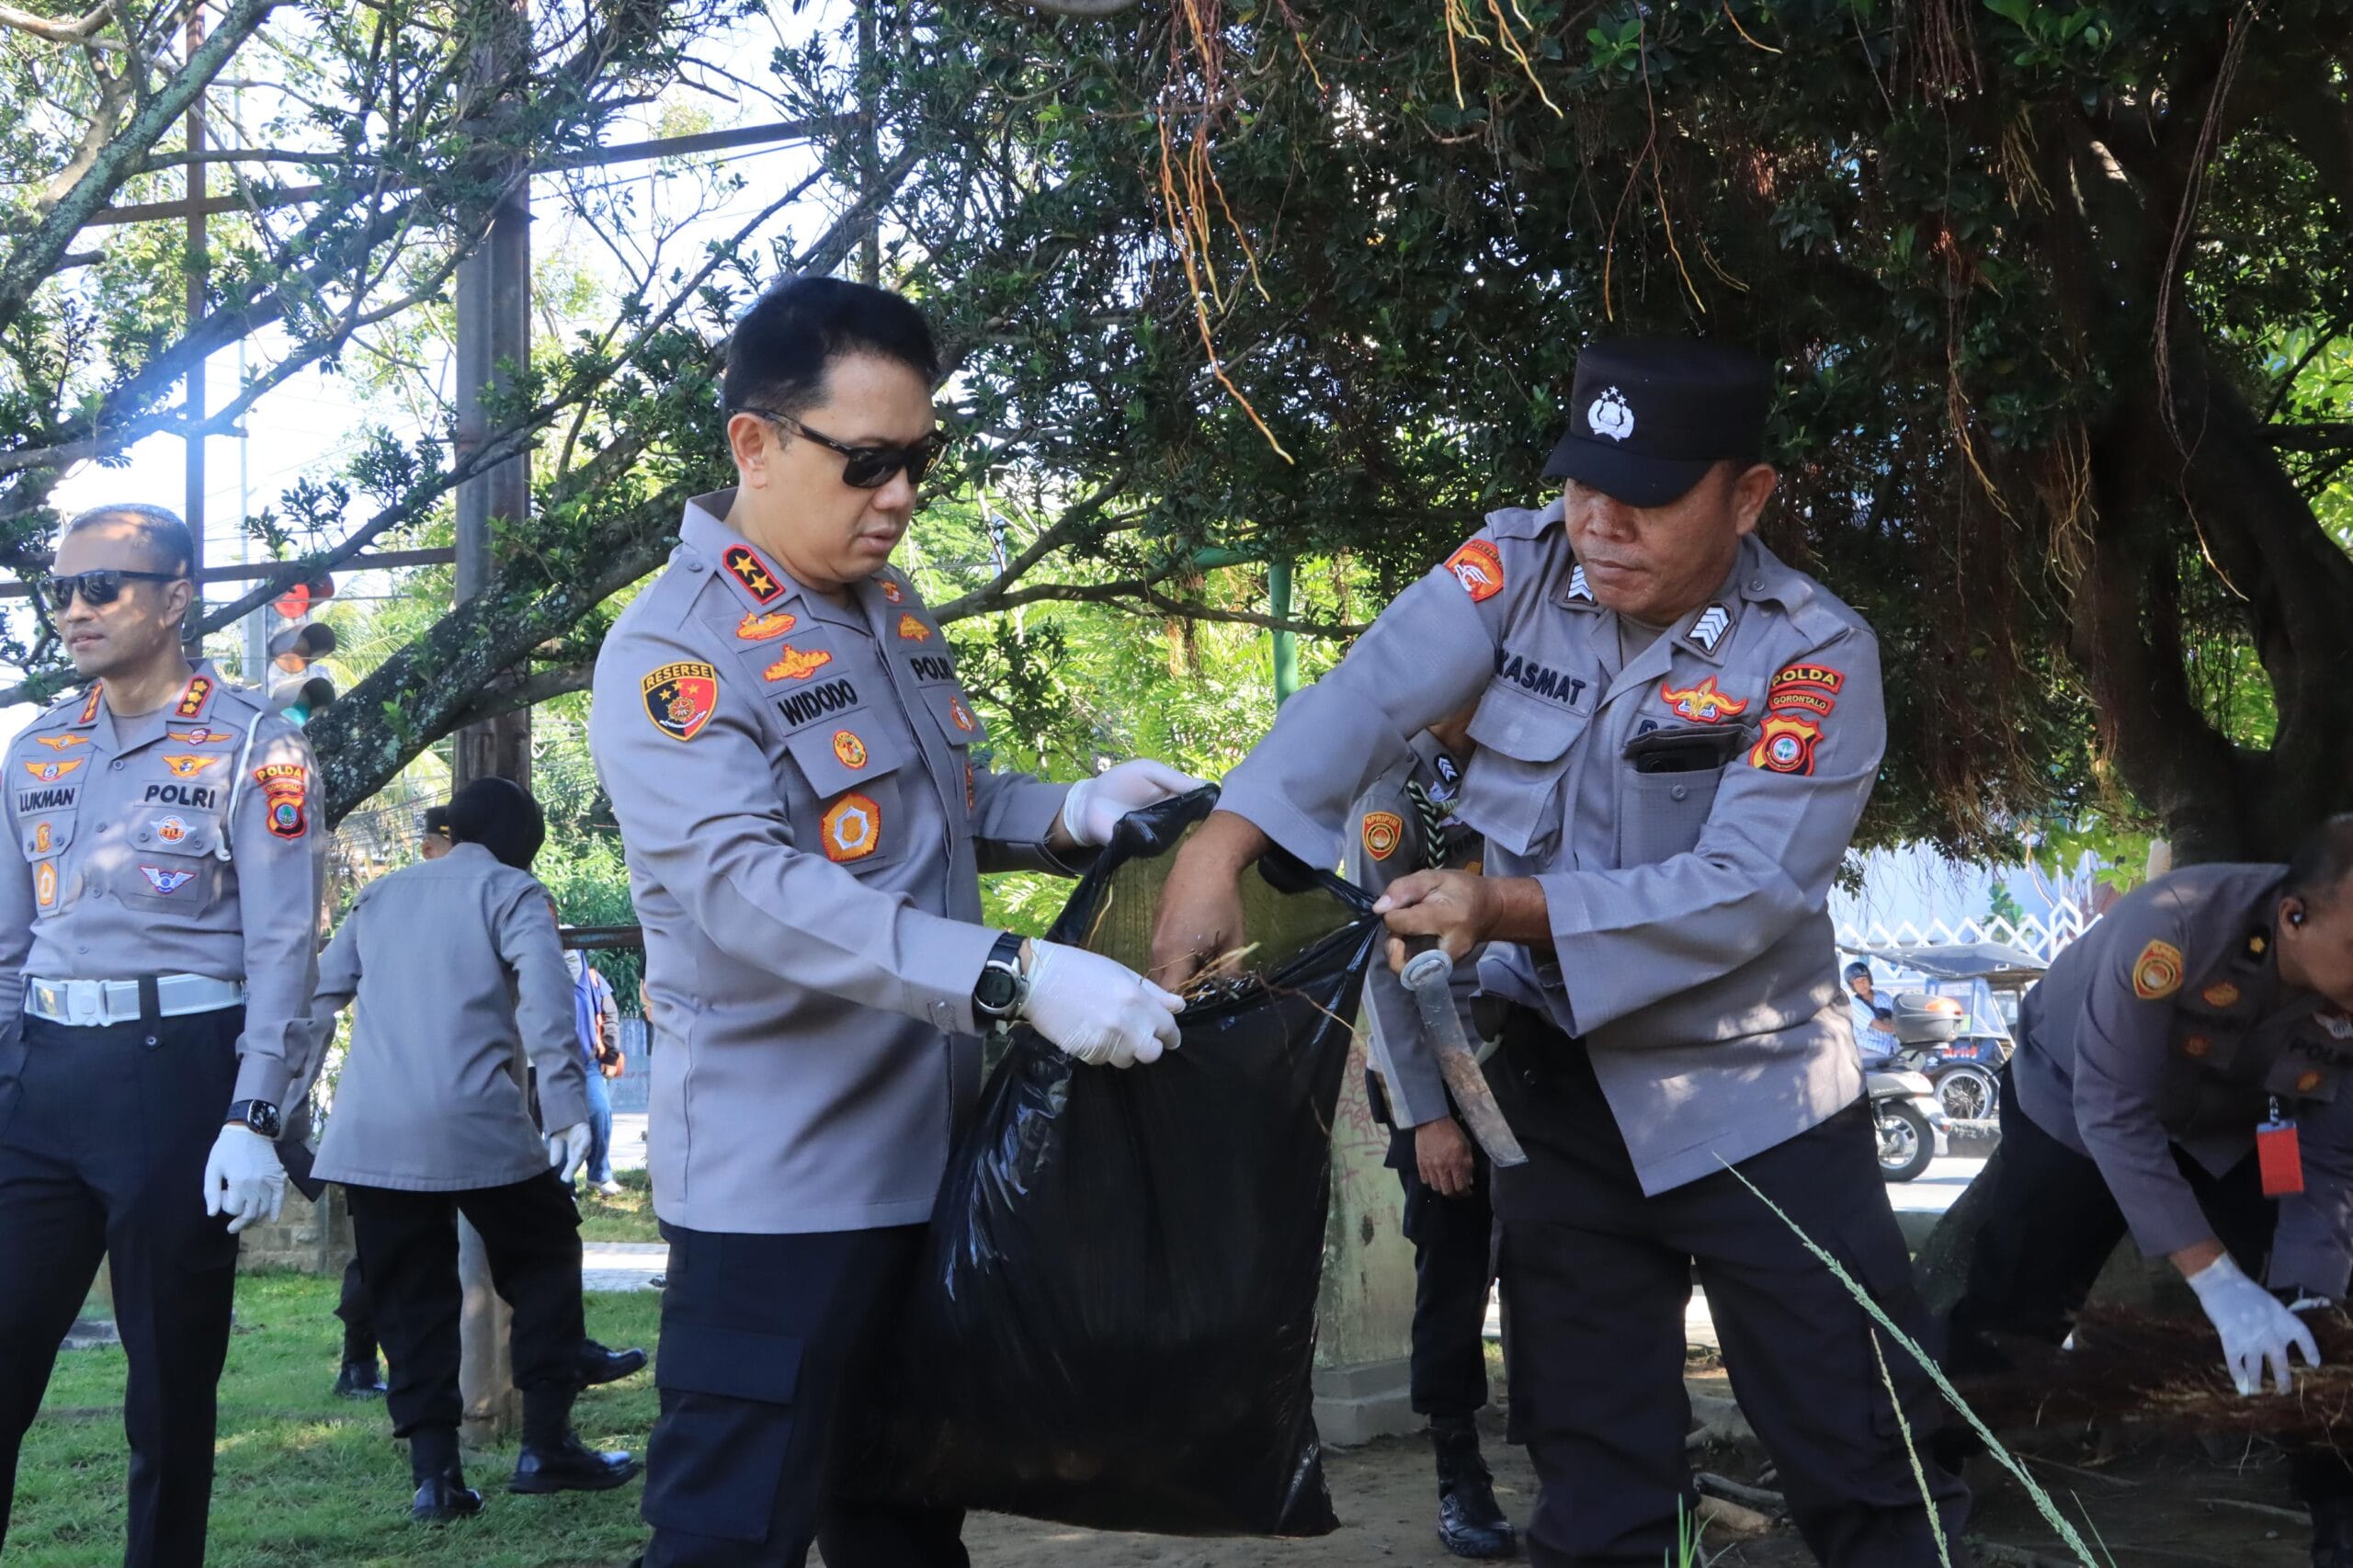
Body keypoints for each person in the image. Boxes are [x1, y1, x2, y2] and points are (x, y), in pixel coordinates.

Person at [1150, 339, 1968, 1568]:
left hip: (1759, 1108)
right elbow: (1371, 690)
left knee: (1869, 1462)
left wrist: (1504, 906)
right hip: (1558, 1100)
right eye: (1585, 483)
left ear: (1747, 497)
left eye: (1645, 498)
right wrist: (1220, 848)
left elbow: (1746, 888)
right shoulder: (1524, 566)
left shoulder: (1811, 651)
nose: (1600, 523)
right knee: (1592, 1482)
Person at [589, 274, 1200, 1568]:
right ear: (755, 440)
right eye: (868, 461)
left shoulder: (886, 612)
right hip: (784, 1185)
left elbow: (932, 804)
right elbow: (746, 889)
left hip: (928, 1162)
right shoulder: (678, 657)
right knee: (727, 1534)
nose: (902, 495)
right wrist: (1012, 972)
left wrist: (1074, 810)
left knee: (908, 1523)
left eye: (920, 457)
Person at [0, 504, 322, 1568]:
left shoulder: (256, 743)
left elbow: (284, 942)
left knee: (168, 1388)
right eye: (61, 590)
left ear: (176, 597)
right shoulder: (36, 746)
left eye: (105, 586)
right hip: (43, 1084)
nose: (74, 610)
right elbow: (7, 943)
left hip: (179, 1083)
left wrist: (253, 1111)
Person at [1945, 817, 2353, 1567]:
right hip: (2073, 1105)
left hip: (2235, 1129)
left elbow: (2326, 1167)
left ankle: (2338, 1518)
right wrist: (2216, 1281)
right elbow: (2114, 1112)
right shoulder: (2172, 928)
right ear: (2295, 917)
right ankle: (1919, 1477)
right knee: (2020, 1313)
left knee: (2312, 1328)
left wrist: (2308, 1295)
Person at [302, 776, 642, 1521]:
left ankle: (437, 1480)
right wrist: (563, 1105)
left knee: (407, 1299)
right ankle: (548, 1441)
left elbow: (321, 998)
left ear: (452, 830)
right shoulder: (514, 893)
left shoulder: (383, 894)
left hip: (373, 1132)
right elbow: (548, 1003)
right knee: (546, 1252)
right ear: (526, 844)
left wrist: (278, 1107)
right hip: (476, 1121)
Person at [1345, 710, 1517, 1560]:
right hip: (1445, 1072)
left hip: (1534, 1057)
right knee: (1453, 1269)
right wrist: (1429, 1117)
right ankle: (1460, 1472)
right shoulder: (1392, 798)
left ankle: (1576, 1455)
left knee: (1562, 1256)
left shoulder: (1524, 762)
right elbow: (1386, 967)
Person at [563, 938, 626, 1197]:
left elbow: (610, 1015)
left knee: (599, 1113)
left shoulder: (593, 979)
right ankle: (562, 1185)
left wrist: (611, 1056)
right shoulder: (542, 974)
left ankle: (599, 1175)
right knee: (559, 1127)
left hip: (588, 1061)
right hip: (553, 1063)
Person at [1846, 960, 1897, 1066]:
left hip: (1890, 1048)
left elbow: (1898, 1014)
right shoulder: (1854, 1004)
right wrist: (1904, 1029)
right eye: (1857, 982)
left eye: (1864, 980)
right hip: (1870, 1050)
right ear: (1852, 986)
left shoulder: (1883, 996)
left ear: (1869, 979)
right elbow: (1881, 1026)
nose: (1861, 984)